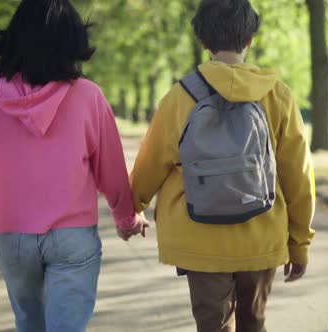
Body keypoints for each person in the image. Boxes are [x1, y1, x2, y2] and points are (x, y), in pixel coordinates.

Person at [0, 1, 149, 331]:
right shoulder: (89, 97)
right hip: (72, 239)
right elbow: (112, 174)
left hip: (13, 240)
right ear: (71, 42)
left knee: (30, 325)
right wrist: (126, 219)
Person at [129, 0, 315, 331]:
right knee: (254, 322)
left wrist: (131, 207)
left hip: (198, 238)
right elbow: (298, 177)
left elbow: (150, 163)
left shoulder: (179, 97)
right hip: (262, 236)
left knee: (212, 326)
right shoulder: (278, 96)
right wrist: (299, 244)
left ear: (203, 41)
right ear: (250, 39)